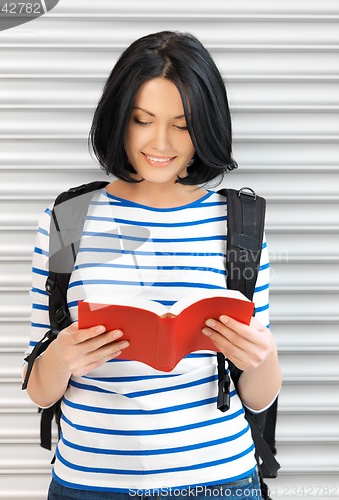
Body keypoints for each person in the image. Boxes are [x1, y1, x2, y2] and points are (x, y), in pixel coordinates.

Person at [24, 31, 282, 499]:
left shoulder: (241, 223)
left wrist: (263, 356)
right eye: (143, 120)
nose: (160, 142)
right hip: (90, 482)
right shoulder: (66, 220)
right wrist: (62, 356)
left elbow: (259, 396)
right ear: (119, 119)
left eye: (182, 125)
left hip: (218, 480)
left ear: (205, 125)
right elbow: (39, 391)